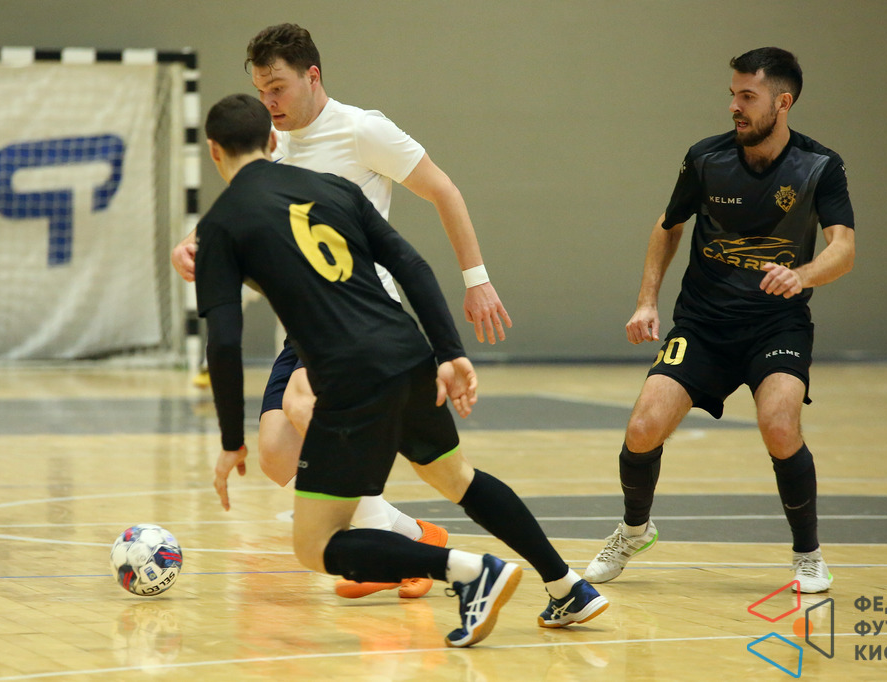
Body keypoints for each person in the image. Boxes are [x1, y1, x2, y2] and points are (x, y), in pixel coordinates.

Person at [194, 93, 607, 647]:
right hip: (406, 348)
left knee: (314, 544)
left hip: (348, 375)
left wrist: (229, 441)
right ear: (272, 141)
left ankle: (468, 571)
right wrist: (450, 351)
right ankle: (567, 585)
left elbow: (224, 341)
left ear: (214, 151)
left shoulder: (220, 224)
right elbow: (410, 263)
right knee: (457, 478)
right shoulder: (333, 187)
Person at [171, 23, 512, 600]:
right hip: (304, 325)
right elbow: (245, 207)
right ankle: (413, 537)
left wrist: (476, 280)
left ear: (312, 76)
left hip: (361, 316)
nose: (269, 101)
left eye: (278, 88)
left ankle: (405, 554)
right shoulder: (270, 143)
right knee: (277, 455)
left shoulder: (361, 130)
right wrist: (191, 243)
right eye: (260, 91)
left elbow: (444, 190)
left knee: (304, 402)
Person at [584, 48, 855, 594]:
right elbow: (668, 225)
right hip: (703, 325)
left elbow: (843, 248)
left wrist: (801, 276)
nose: (734, 106)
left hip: (775, 326)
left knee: (779, 426)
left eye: (747, 96)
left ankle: (808, 554)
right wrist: (646, 301)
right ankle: (634, 531)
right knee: (642, 428)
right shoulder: (706, 158)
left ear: (783, 102)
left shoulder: (819, 166)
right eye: (733, 94)